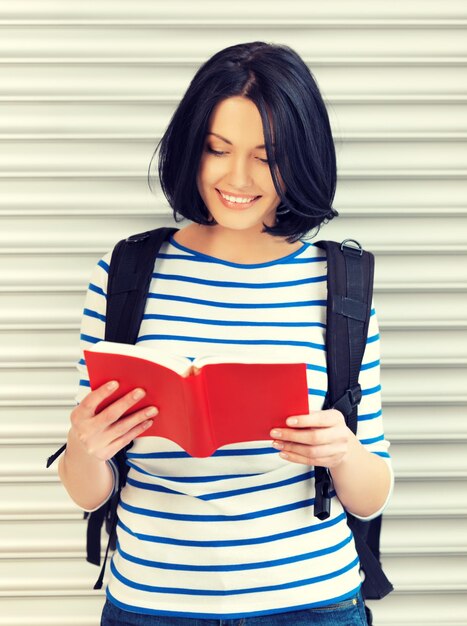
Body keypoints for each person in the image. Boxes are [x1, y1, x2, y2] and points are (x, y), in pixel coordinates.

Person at [58, 41, 394, 626]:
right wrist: (85, 445)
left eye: (266, 156)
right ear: (193, 149)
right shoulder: (125, 274)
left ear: (303, 156)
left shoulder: (340, 284)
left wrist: (341, 451)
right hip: (151, 603)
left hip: (310, 602)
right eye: (217, 149)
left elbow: (372, 494)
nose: (237, 177)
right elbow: (88, 491)